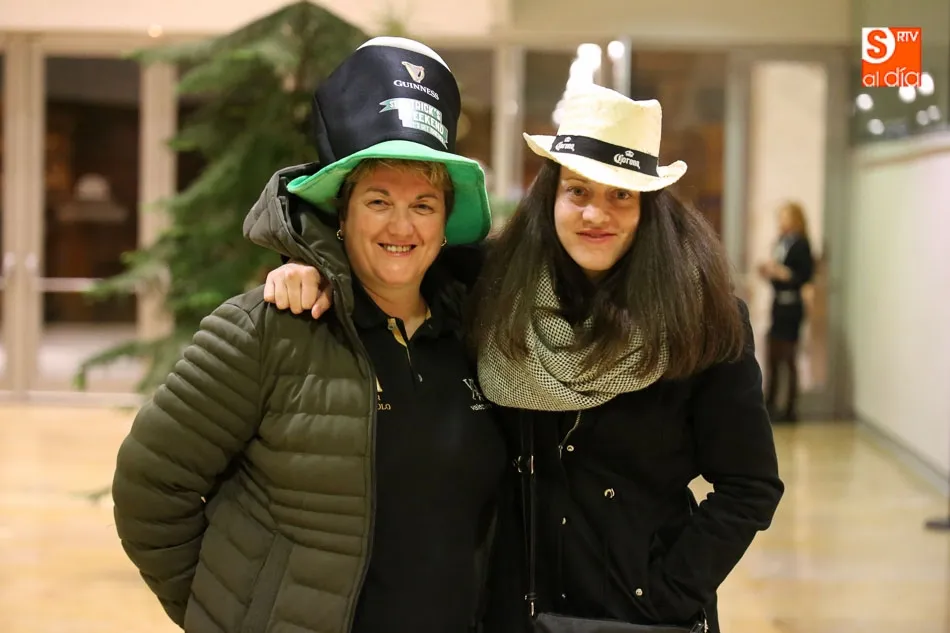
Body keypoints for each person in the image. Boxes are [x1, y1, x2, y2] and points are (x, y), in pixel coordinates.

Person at [262, 84, 784, 633]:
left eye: (620, 195)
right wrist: (308, 269)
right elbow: (389, 258)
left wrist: (665, 594)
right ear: (549, 194)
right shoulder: (493, 287)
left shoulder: (699, 320)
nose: (595, 213)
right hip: (515, 611)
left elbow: (750, 487)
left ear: (649, 208)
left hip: (637, 619)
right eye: (577, 191)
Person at [111, 37, 509, 633]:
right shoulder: (266, 328)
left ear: (445, 223)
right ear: (342, 215)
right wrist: (230, 614)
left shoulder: (476, 335)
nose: (402, 225)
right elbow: (150, 489)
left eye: (424, 205)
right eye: (378, 200)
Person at [757, 202, 814, 422]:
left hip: (792, 307)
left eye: (785, 217)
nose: (781, 221)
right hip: (778, 305)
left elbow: (804, 275)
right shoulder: (780, 242)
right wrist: (769, 273)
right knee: (773, 354)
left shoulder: (802, 245)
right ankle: (770, 403)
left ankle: (790, 408)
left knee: (789, 356)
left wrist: (785, 274)